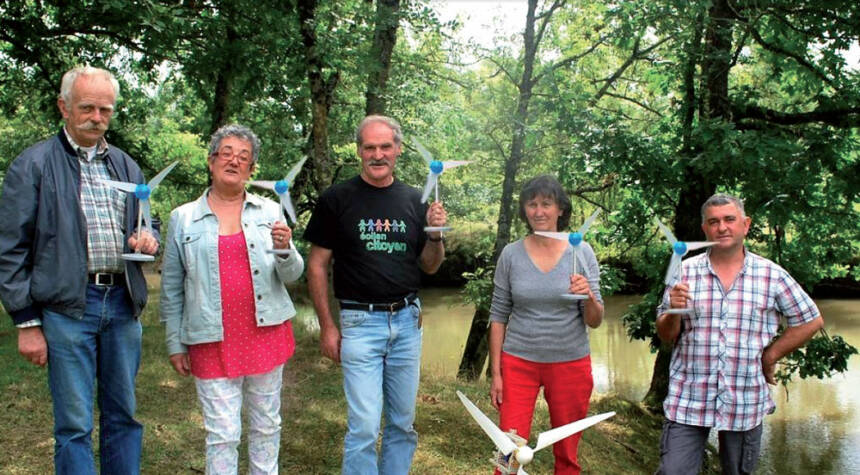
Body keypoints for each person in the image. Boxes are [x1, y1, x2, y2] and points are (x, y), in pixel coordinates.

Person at [0, 66, 158, 474]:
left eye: (105, 110)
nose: (97, 118)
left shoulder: (125, 165)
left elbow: (146, 220)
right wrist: (26, 322)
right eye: (87, 108)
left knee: (123, 415)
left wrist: (147, 237)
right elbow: (10, 248)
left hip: (122, 303)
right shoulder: (33, 165)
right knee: (73, 424)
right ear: (64, 107)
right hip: (68, 308)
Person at [304, 115, 447, 474]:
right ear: (359, 151)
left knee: (402, 423)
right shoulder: (336, 200)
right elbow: (317, 265)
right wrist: (327, 326)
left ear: (398, 150)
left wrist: (435, 235)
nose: (378, 154)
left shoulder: (417, 201)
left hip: (407, 322)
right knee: (364, 427)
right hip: (359, 322)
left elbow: (430, 266)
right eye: (370, 147)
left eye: (385, 146)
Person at [160, 124, 304, 474]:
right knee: (222, 434)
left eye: (243, 157)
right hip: (210, 339)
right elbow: (172, 286)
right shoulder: (183, 218)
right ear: (211, 161)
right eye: (226, 153)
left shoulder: (270, 211)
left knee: (267, 425)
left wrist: (285, 249)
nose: (234, 161)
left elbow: (292, 274)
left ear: (251, 169)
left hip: (265, 334)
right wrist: (175, 342)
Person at [654, 193, 824, 475]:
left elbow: (810, 320)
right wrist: (673, 310)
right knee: (673, 471)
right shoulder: (683, 272)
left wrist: (771, 355)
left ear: (746, 225)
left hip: (744, 400)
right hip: (688, 398)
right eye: (713, 222)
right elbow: (666, 334)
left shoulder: (772, 275)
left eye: (729, 219)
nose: (722, 227)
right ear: (704, 229)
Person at [488, 175, 604, 474]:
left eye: (546, 204)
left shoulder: (582, 251)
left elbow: (595, 320)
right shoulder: (511, 254)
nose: (539, 211)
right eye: (532, 204)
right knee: (508, 450)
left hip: (570, 363)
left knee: (566, 453)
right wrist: (497, 374)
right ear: (524, 210)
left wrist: (588, 296)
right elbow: (498, 315)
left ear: (560, 209)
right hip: (519, 362)